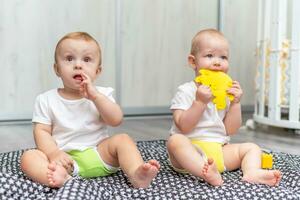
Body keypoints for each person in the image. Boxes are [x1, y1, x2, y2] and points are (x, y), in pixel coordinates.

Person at [20, 32, 160, 188]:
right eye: (69, 58)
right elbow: (42, 132)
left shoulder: (102, 94)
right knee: (29, 157)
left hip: (100, 155)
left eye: (86, 60)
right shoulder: (46, 99)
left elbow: (116, 120)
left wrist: (96, 97)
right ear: (57, 69)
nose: (78, 65)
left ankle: (136, 174)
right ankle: (60, 179)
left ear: (97, 71)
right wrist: (54, 153)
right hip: (63, 160)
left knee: (123, 139)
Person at [166, 29, 281, 186]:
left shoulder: (226, 93)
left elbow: (231, 130)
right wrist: (199, 102)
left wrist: (235, 103)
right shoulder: (186, 90)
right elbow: (183, 126)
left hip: (219, 150)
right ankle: (204, 172)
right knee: (175, 141)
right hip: (189, 153)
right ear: (193, 62)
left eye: (223, 57)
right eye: (209, 56)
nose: (217, 62)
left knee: (252, 148)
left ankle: (252, 172)